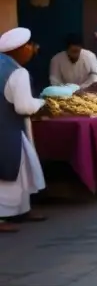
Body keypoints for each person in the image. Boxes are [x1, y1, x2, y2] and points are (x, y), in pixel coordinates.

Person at [0, 28, 46, 232]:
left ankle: (22, 209)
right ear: (18, 49)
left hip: (8, 126)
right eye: (28, 46)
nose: (31, 50)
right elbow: (24, 107)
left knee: (22, 169)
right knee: (10, 170)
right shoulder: (18, 72)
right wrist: (41, 103)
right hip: (9, 127)